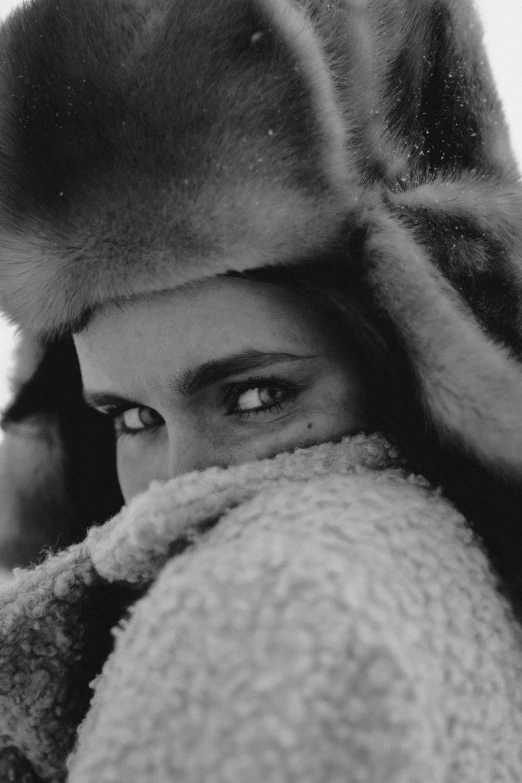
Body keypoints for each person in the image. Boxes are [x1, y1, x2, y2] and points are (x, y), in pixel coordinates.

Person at [0, 0, 522, 780]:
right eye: (132, 417)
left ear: (420, 364)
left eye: (253, 398)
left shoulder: (272, 611)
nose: (175, 489)